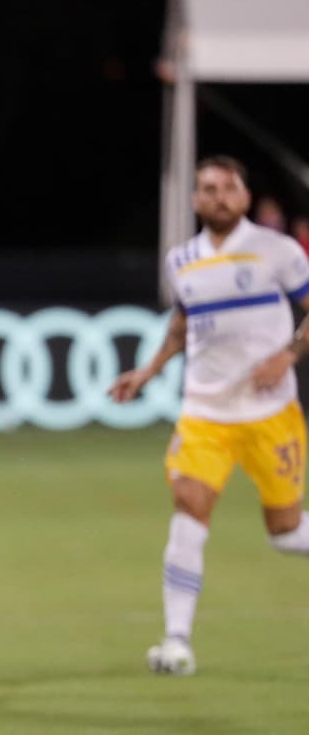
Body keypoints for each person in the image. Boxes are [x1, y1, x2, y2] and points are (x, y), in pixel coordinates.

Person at [109, 154, 309, 676]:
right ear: (195, 198)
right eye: (207, 188)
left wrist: (288, 354)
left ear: (244, 196)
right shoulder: (182, 259)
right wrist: (148, 370)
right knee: (188, 510)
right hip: (204, 413)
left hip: (271, 414)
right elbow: (182, 322)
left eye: (227, 188)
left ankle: (178, 639)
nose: (217, 196)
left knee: (286, 534)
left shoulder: (278, 250)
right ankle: (176, 643)